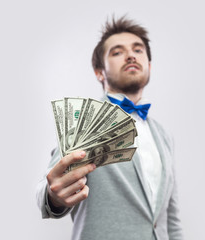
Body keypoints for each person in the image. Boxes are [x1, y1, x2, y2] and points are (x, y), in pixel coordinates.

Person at [36, 16, 184, 240]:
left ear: (149, 66)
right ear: (99, 72)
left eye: (138, 50)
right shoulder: (86, 122)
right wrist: (53, 198)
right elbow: (47, 190)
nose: (131, 55)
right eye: (117, 52)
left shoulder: (164, 135)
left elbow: (170, 217)